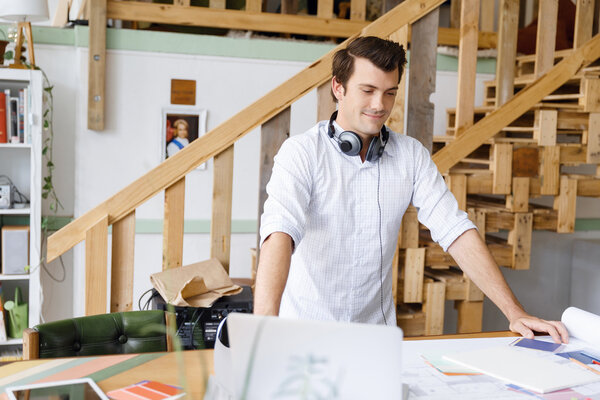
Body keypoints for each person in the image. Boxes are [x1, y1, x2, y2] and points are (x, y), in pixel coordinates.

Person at [254, 36, 569, 343]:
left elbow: (455, 230)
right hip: (303, 338)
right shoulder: (301, 153)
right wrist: (261, 334)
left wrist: (515, 312)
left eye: (390, 93)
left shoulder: (411, 155)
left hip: (375, 340)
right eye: (368, 90)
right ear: (339, 87)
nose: (380, 105)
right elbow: (279, 234)